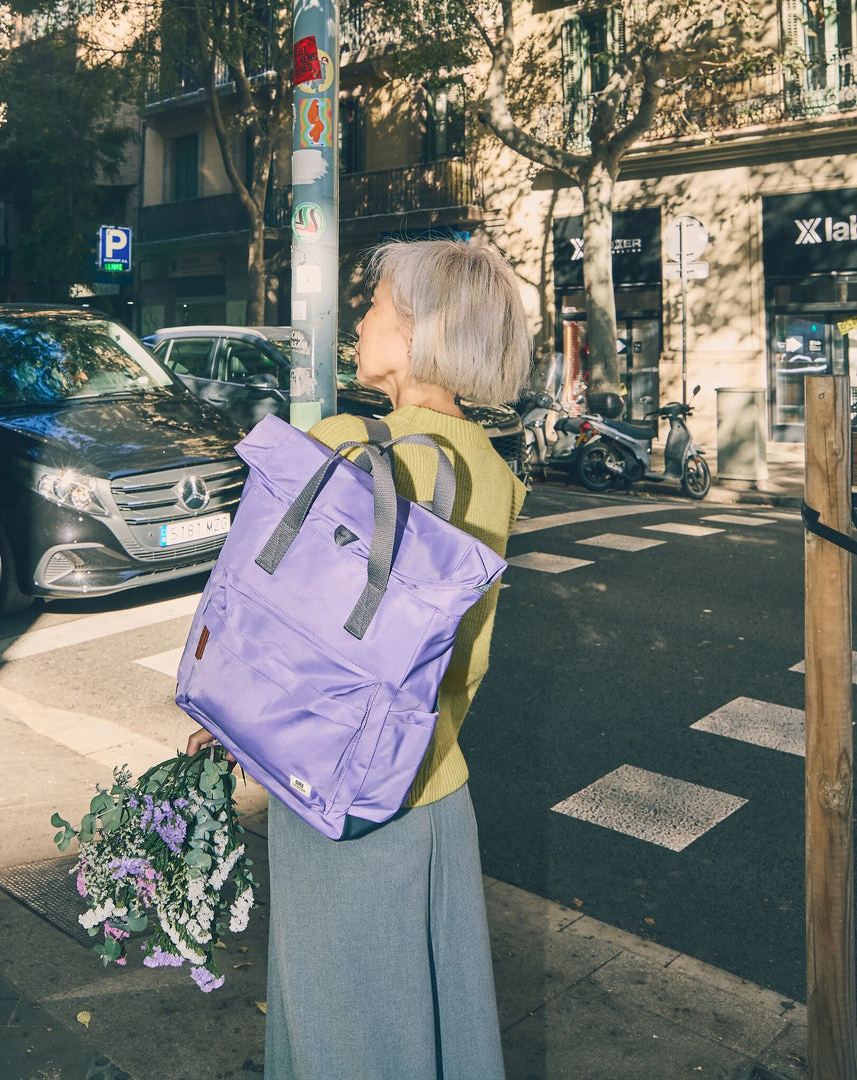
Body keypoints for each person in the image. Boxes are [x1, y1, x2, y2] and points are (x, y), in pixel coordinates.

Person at [186, 238, 532, 1080]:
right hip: (435, 791)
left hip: (335, 794)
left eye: (377, 304)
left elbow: (283, 629)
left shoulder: (341, 444)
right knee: (427, 1015)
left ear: (419, 329)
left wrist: (227, 720)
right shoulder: (492, 472)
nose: (364, 318)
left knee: (336, 1026)